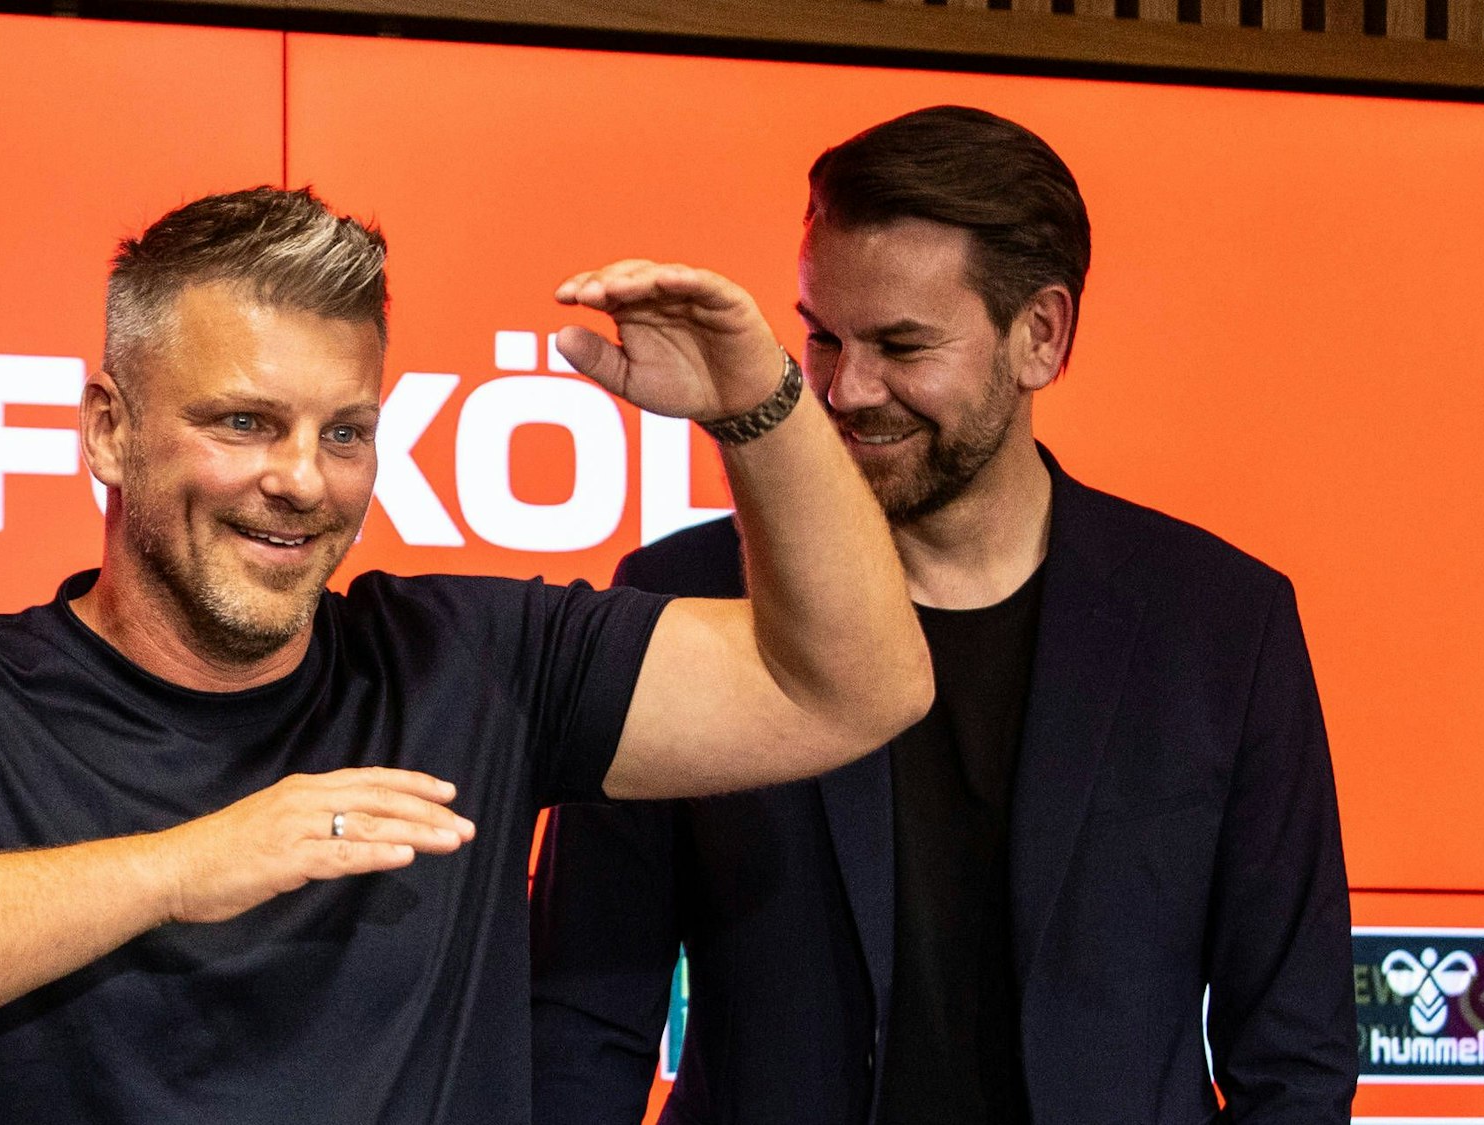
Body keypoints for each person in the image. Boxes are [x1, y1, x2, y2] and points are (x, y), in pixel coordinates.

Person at [0, 186, 931, 1124]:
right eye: (242, 422)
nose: (300, 481)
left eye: (345, 432)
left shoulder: (477, 661)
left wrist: (759, 406)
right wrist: (182, 868)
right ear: (108, 430)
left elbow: (853, 686)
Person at [530, 106, 1358, 1125]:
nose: (843, 388)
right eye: (820, 337)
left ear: (1039, 336)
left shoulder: (1220, 624)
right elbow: (578, 1021)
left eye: (901, 345)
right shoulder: (681, 599)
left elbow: (1294, 1054)